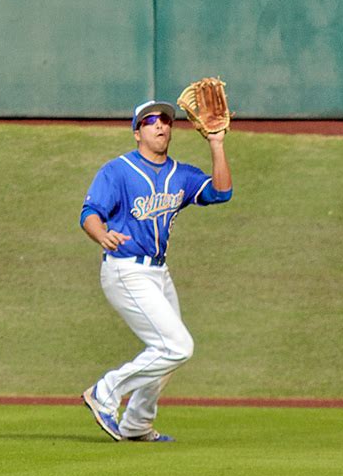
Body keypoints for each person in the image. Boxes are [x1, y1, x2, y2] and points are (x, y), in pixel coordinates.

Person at [80, 99, 232, 441]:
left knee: (166, 352)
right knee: (177, 346)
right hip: (125, 269)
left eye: (165, 120)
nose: (161, 125)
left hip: (158, 274)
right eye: (151, 121)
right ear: (137, 133)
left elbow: (222, 192)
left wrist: (216, 144)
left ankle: (137, 423)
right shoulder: (117, 171)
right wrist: (101, 233)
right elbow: (89, 212)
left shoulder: (182, 174)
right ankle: (105, 392)